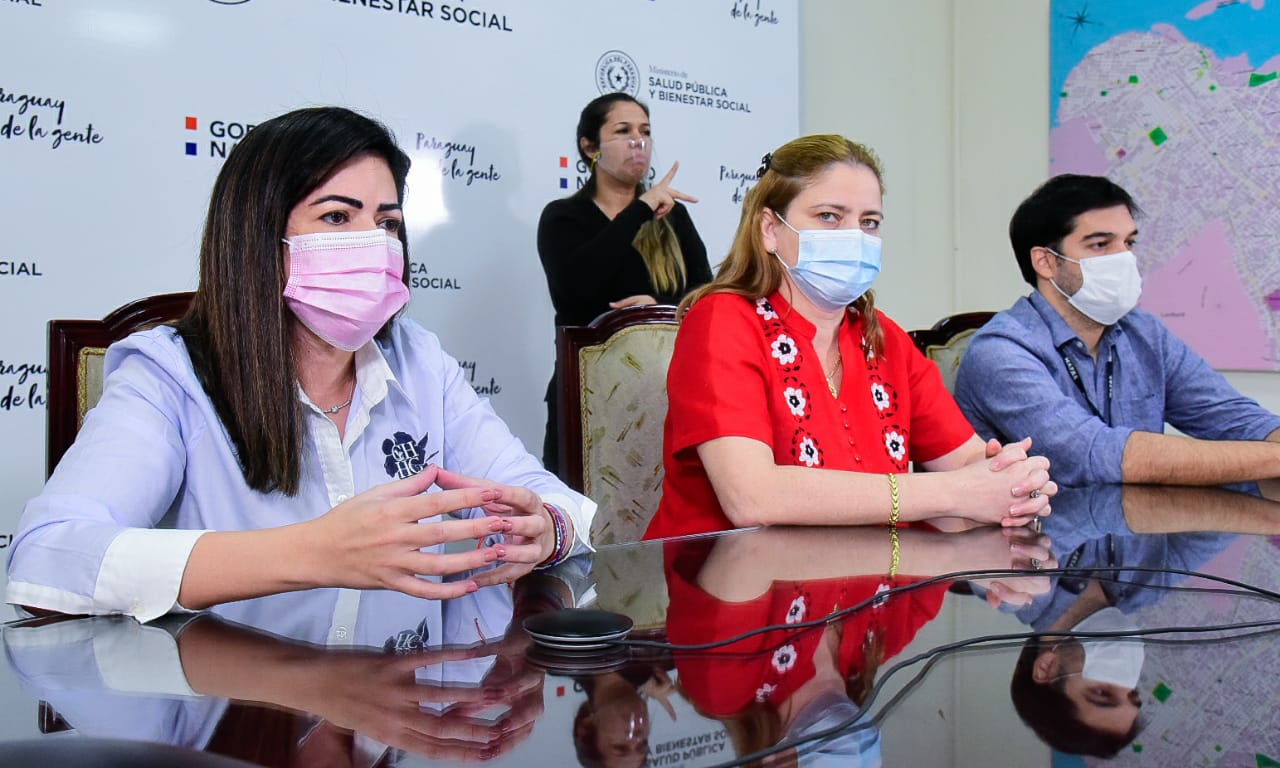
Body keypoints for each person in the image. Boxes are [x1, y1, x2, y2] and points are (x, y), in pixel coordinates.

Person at [6, 106, 595, 622]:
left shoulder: (419, 360)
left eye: (387, 223)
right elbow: (46, 562)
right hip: (237, 723)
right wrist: (314, 552)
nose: (375, 243)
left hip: (399, 722)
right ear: (260, 237)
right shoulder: (170, 374)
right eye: (338, 217)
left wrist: (548, 529)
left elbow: (548, 498)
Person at [644, 134, 1056, 540]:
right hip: (730, 585)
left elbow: (966, 460)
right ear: (770, 228)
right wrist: (953, 493)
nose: (854, 236)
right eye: (829, 216)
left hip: (874, 582)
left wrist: (1016, 483)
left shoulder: (884, 338)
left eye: (869, 222)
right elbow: (753, 497)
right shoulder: (722, 321)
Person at [954, 174, 1280, 488]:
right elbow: (1090, 456)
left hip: (1139, 532)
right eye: (1100, 245)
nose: (1124, 258)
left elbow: (1235, 418)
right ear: (1045, 262)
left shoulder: (1145, 333)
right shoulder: (1002, 350)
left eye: (1129, 242)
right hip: (1036, 537)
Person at [537, 92, 713, 477]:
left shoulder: (674, 219)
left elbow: (707, 299)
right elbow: (574, 288)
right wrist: (641, 209)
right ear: (590, 148)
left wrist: (657, 308)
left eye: (645, 131)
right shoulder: (563, 217)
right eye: (624, 130)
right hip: (585, 398)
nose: (639, 141)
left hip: (667, 394)